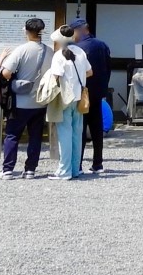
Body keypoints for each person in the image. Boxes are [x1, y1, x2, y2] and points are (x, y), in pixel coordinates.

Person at [0, 18, 51, 179]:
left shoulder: (22, 50)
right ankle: (30, 170)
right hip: (40, 101)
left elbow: (6, 73)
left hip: (20, 101)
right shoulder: (50, 52)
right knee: (35, 136)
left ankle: (7, 169)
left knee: (12, 135)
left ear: (26, 31)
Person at [46, 25, 90, 181]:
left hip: (65, 98)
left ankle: (64, 170)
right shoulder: (81, 52)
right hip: (79, 98)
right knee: (77, 134)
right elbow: (89, 72)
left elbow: (56, 76)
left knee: (64, 135)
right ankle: (75, 169)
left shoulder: (58, 55)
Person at [70, 17, 112, 173]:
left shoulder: (78, 48)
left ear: (80, 30)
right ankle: (98, 163)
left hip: (83, 93)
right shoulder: (103, 45)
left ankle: (78, 164)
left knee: (80, 128)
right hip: (98, 92)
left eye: (73, 31)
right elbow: (108, 69)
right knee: (97, 128)